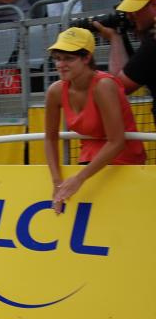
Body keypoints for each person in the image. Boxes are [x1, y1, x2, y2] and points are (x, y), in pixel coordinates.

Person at [44, 27, 146, 213]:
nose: (60, 64)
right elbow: (50, 138)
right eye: (57, 58)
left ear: (86, 58)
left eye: (68, 58)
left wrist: (79, 178)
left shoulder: (104, 86)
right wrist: (57, 181)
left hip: (123, 160)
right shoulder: (55, 91)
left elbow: (117, 142)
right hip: (89, 159)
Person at [94, 0, 156, 127]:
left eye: (135, 10)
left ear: (154, 4)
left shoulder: (153, 44)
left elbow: (117, 87)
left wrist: (115, 38)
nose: (129, 16)